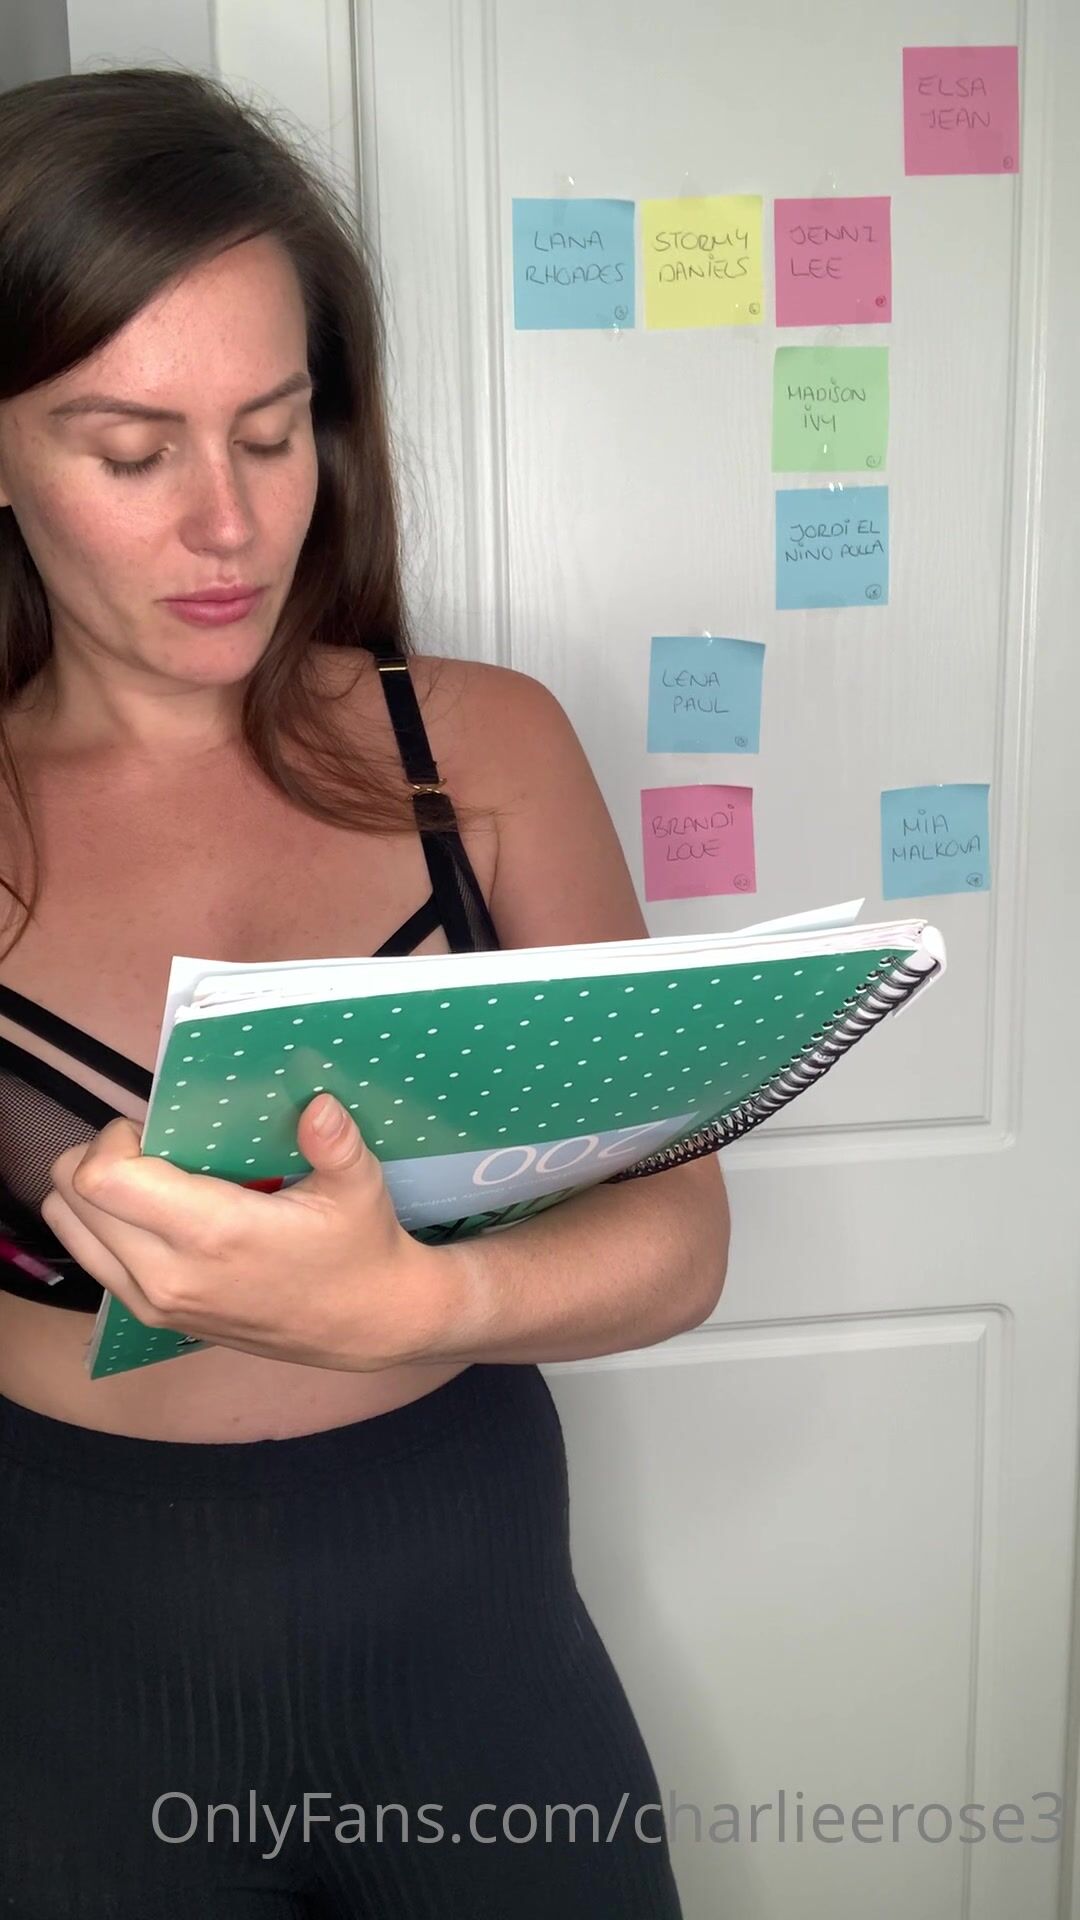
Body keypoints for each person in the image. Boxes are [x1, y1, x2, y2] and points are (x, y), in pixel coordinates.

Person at [0, 64, 730, 1919]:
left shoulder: (480, 751)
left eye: (273, 430)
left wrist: (422, 1299)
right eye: (130, 451)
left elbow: (679, 1240)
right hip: (60, 1662)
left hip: (469, 1625)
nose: (231, 525)